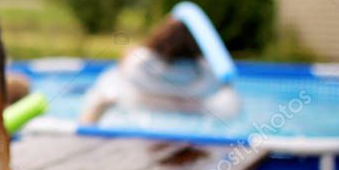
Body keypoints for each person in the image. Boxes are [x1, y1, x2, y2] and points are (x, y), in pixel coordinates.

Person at [79, 16, 241, 124]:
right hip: (190, 108)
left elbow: (126, 67)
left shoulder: (140, 61)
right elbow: (223, 89)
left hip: (142, 103)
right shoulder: (205, 72)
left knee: (102, 98)